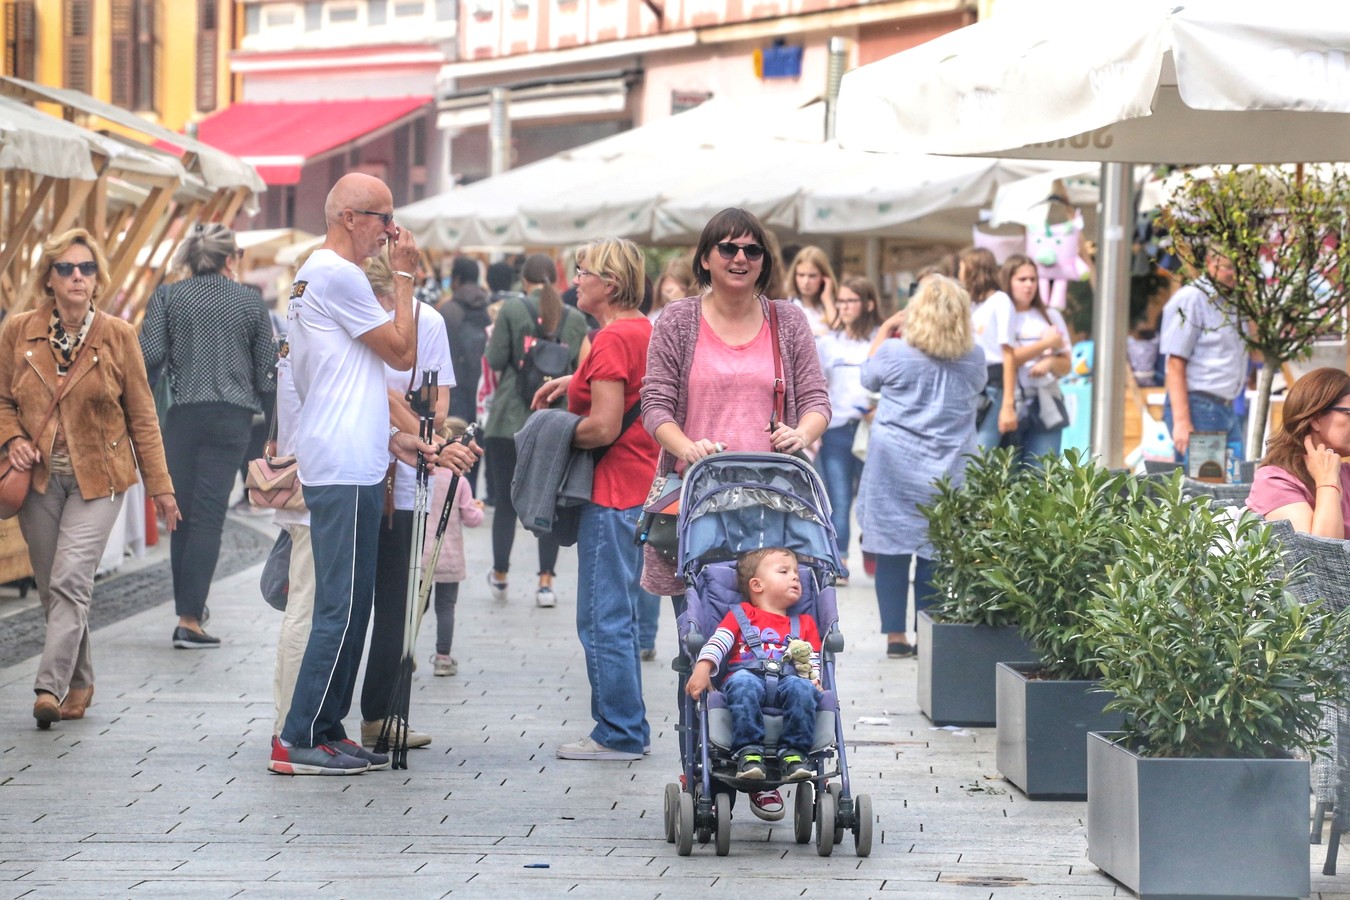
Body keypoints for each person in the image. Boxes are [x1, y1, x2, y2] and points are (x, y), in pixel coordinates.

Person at [268, 173, 476, 777]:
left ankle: (326, 728)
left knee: (353, 604)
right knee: (341, 605)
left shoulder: (319, 273)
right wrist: (406, 277)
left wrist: (399, 438)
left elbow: (347, 378)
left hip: (349, 454)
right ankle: (300, 735)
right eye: (383, 217)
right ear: (350, 218)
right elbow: (403, 352)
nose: (391, 229)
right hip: (343, 461)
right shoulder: (338, 273)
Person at [642, 207, 831, 819]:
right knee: (700, 640)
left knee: (774, 644)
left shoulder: (787, 320)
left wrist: (800, 434)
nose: (740, 258)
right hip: (696, 505)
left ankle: (769, 766)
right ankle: (703, 764)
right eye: (726, 248)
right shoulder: (676, 321)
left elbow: (816, 401)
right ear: (705, 257)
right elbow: (655, 404)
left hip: (774, 509)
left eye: (751, 249)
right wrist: (685, 447)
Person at [0, 228, 180, 728]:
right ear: (50, 278)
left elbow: (143, 416)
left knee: (70, 580)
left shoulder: (118, 335)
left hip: (100, 480)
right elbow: (1, 400)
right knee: (51, 586)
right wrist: (12, 437)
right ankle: (79, 680)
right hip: (37, 480)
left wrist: (161, 487)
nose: (77, 276)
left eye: (86, 269)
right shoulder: (18, 331)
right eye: (66, 268)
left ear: (98, 280)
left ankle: (47, 686)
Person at [532, 238, 662, 761]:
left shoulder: (609, 339)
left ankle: (619, 732)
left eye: (583, 272)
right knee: (622, 613)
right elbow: (631, 391)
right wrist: (577, 379)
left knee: (602, 616)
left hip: (610, 492)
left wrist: (552, 431)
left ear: (609, 283)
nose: (575, 280)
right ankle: (624, 725)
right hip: (646, 484)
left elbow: (605, 425)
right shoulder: (646, 331)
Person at [139, 224, 276, 648]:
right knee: (210, 518)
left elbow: (147, 357)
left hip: (181, 416)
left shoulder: (167, 295)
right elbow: (268, 373)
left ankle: (188, 610)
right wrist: (275, 433)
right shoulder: (250, 302)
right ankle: (190, 618)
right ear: (229, 259)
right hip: (231, 419)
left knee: (180, 513)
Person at [856, 275, 985, 658]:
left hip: (894, 464)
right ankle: (927, 634)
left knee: (891, 550)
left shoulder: (894, 353)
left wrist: (884, 329)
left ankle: (896, 638)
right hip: (948, 466)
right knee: (936, 552)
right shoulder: (974, 357)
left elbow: (867, 377)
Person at [356, 256, 453, 751]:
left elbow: (436, 403)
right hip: (354, 470)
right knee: (349, 603)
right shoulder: (350, 311)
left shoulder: (428, 321)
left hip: (406, 475)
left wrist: (423, 433)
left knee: (397, 602)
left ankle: (381, 713)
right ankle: (330, 716)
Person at [483, 254, 587, 608]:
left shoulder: (511, 311)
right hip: (556, 422)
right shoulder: (574, 319)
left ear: (523, 280)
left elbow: (495, 360)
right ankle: (545, 581)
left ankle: (500, 574)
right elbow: (581, 370)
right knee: (550, 501)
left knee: (506, 501)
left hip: (509, 416)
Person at [684, 547, 822, 781]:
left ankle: (794, 754)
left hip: (790, 681)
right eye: (784, 571)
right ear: (757, 585)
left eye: (796, 572)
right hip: (747, 676)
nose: (795, 576)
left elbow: (811, 659)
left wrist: (815, 679)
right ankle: (749, 752)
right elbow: (719, 642)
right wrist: (703, 667)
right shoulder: (741, 614)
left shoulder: (805, 622)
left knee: (803, 689)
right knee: (742, 682)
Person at [815, 275, 883, 578]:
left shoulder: (882, 340)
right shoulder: (827, 344)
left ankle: (872, 545)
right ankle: (839, 560)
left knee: (872, 499)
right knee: (839, 497)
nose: (843, 307)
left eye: (850, 300)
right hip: (837, 429)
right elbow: (817, 385)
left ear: (868, 304)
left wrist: (880, 408)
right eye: (840, 301)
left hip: (874, 430)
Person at [1160, 249, 1247, 462]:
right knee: (1205, 488)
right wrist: (1181, 421)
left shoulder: (1234, 301)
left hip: (1226, 407)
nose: (1234, 274)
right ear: (1209, 262)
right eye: (1228, 267)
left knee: (1232, 485)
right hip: (1199, 407)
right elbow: (1175, 362)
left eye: (1240, 268)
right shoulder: (1192, 299)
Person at [1246, 367, 1350, 539]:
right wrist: (1327, 482)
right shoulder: (1274, 482)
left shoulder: (1345, 474)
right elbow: (1321, 557)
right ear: (1316, 418)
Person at [425, 417, 486, 677]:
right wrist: (478, 509)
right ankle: (443, 658)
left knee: (418, 605)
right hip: (449, 556)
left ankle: (404, 652)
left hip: (421, 555)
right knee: (445, 607)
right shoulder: (459, 480)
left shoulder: (425, 476)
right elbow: (472, 519)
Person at [997, 254, 1072, 464]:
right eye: (1022, 280)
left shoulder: (1050, 315)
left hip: (1045, 402)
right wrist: (1046, 344)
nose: (1029, 285)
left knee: (1041, 475)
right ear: (1008, 281)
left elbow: (1067, 365)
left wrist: (1049, 363)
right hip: (1009, 404)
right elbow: (1007, 359)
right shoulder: (1001, 314)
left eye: (1033, 279)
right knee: (1006, 479)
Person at [959, 247, 1015, 452]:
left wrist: (1008, 404)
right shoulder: (971, 304)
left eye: (962, 268)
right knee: (966, 453)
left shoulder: (1000, 301)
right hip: (968, 382)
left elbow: (1008, 353)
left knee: (982, 453)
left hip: (993, 382)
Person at [786, 245, 838, 336]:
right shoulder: (787, 304)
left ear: (823, 276)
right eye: (801, 275)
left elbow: (837, 329)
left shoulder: (835, 304)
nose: (806, 282)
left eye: (812, 276)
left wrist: (827, 300)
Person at [651, 254, 695, 323]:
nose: (673, 293)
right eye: (669, 290)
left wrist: (678, 304)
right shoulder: (654, 315)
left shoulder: (696, 315)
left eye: (681, 289)